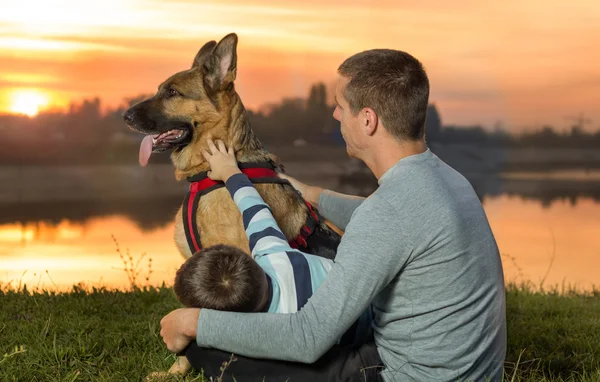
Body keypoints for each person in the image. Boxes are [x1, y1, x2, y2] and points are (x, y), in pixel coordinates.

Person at [160, 48, 507, 382]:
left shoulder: (386, 214)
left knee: (209, 351)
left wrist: (194, 323)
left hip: (406, 374)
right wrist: (313, 194)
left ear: (368, 120)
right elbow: (383, 217)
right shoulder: (448, 180)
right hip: (477, 371)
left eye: (341, 106)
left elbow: (307, 337)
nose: (335, 115)